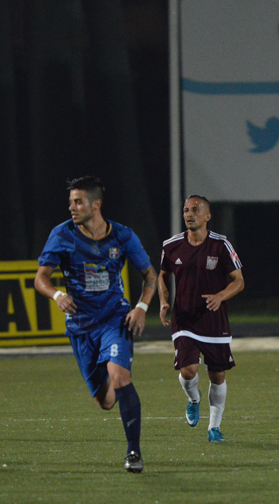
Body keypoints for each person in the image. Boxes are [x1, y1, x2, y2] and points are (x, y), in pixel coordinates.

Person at [34, 176, 157, 473]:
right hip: (80, 326)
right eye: (70, 202)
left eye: (78, 202)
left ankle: (133, 452)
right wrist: (57, 294)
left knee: (120, 377)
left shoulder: (123, 236)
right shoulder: (62, 235)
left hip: (115, 319)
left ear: (96, 204)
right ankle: (114, 381)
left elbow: (151, 276)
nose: (72, 207)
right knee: (105, 401)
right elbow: (41, 278)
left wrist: (141, 307)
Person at [158, 195, 244, 443]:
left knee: (217, 376)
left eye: (195, 210)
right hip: (184, 319)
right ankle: (193, 400)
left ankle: (214, 427)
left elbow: (239, 281)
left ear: (207, 216)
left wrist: (220, 295)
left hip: (214, 320)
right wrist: (164, 300)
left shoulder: (220, 245)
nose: (188, 214)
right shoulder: (171, 245)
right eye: (186, 210)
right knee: (188, 370)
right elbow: (162, 274)